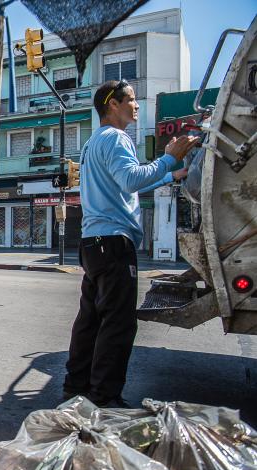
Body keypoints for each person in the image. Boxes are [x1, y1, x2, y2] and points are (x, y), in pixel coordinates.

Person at [62, 79, 198, 408]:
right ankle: (105, 396)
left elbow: (122, 184)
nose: (136, 105)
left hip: (94, 242)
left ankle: (76, 386)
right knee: (118, 322)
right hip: (113, 243)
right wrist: (167, 159)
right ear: (113, 104)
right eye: (132, 99)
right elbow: (131, 178)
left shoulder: (94, 142)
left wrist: (171, 175)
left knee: (91, 319)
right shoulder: (117, 138)